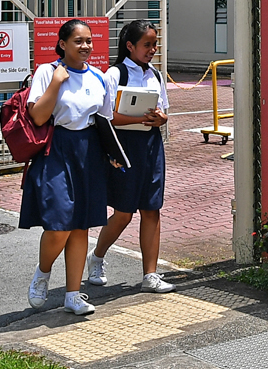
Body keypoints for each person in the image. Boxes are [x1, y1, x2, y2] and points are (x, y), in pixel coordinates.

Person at [21, 19, 116, 316]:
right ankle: (43, 272)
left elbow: (104, 121)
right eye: (78, 41)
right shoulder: (48, 72)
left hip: (89, 152)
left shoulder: (99, 77)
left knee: (80, 226)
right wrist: (57, 82)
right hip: (57, 148)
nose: (85, 46)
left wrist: (112, 152)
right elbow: (37, 116)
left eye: (89, 40)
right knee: (59, 224)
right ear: (62, 44)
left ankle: (73, 294)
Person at [86, 21, 174, 294]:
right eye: (147, 45)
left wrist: (161, 119)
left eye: (154, 44)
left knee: (151, 210)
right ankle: (97, 256)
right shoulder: (114, 74)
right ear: (130, 46)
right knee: (123, 213)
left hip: (151, 146)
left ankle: (150, 274)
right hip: (124, 148)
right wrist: (142, 118)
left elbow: (164, 112)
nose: (152, 50)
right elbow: (108, 116)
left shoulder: (156, 76)